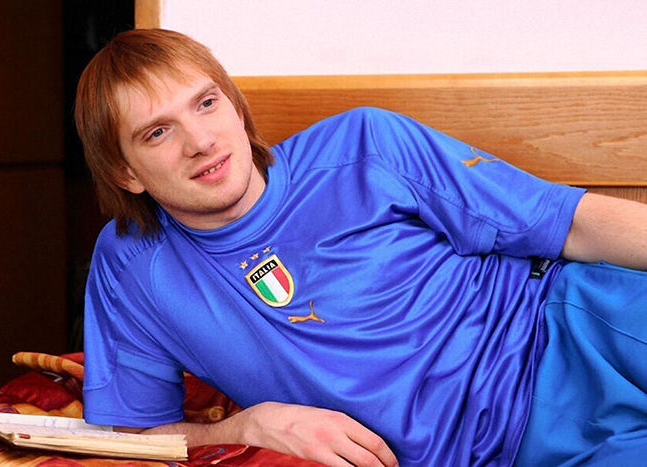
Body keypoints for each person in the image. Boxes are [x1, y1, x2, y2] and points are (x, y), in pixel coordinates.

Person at [75, 28, 647, 467]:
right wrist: (245, 426)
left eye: (206, 103)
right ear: (126, 172)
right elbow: (131, 438)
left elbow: (571, 223)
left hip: (578, 327)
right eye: (158, 132)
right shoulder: (132, 267)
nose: (200, 141)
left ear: (236, 107)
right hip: (514, 449)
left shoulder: (365, 144)